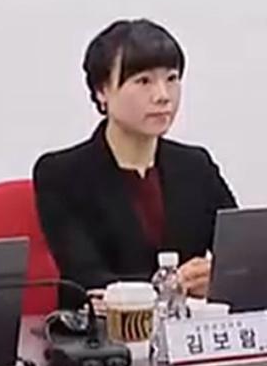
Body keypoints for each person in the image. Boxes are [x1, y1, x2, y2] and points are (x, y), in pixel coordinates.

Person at [33, 19, 236, 304]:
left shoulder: (195, 166)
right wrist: (172, 285)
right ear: (102, 91)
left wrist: (218, 276)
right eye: (143, 81)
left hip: (187, 328)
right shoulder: (62, 174)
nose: (162, 96)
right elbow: (87, 279)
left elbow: (242, 255)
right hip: (105, 328)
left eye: (172, 79)